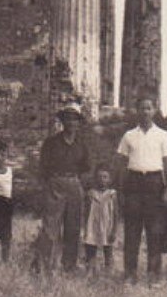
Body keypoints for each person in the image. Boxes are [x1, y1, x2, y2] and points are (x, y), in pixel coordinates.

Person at [116, 95, 167, 284]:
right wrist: (121, 190)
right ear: (137, 111)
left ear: (154, 110)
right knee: (132, 231)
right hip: (133, 183)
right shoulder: (129, 135)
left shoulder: (163, 135)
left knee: (155, 231)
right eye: (142, 108)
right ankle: (130, 274)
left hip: (154, 183)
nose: (145, 112)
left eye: (149, 108)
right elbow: (122, 164)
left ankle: (153, 275)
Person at [38, 102, 93, 272]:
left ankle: (69, 265)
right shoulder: (51, 143)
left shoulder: (82, 144)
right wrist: (50, 184)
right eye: (67, 119)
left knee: (73, 226)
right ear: (62, 121)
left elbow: (87, 167)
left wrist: (78, 184)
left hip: (74, 183)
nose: (71, 123)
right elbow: (43, 167)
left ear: (78, 123)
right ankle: (46, 265)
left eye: (74, 119)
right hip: (55, 183)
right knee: (50, 226)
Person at [83, 165, 119, 274]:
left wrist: (114, 230)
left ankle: (108, 272)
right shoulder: (91, 194)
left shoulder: (112, 194)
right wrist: (85, 228)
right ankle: (90, 271)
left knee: (108, 249)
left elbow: (116, 214)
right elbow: (86, 212)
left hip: (107, 226)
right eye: (99, 177)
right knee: (91, 247)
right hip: (92, 225)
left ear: (109, 179)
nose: (102, 180)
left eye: (105, 177)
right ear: (95, 179)